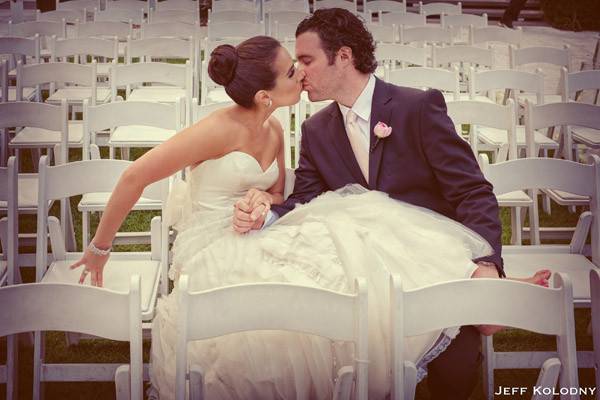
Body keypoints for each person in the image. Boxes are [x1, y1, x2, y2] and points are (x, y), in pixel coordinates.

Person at [70, 35, 549, 400]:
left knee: (355, 227)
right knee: (333, 251)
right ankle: (481, 289)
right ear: (263, 94)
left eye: (302, 63)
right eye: (290, 70)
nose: (300, 74)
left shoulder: (276, 127)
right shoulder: (217, 129)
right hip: (213, 242)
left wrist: (263, 201)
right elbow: (134, 176)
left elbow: (280, 190)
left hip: (255, 228)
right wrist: (100, 249)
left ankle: (482, 285)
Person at [231, 8, 539, 400]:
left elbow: (471, 191)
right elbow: (304, 200)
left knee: (454, 380)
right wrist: (266, 215)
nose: (300, 72)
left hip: (434, 269)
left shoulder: (417, 107)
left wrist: (486, 265)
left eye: (307, 60)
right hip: (369, 278)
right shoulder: (315, 130)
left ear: (344, 56)